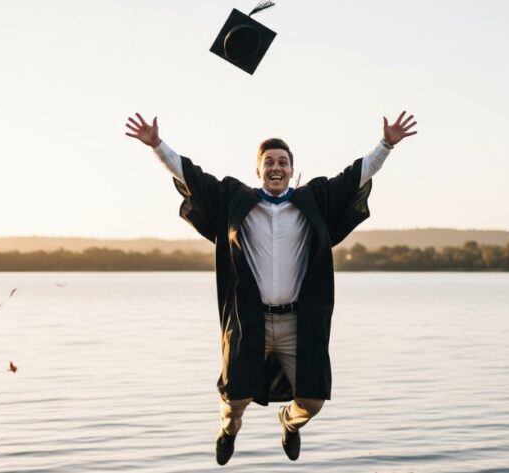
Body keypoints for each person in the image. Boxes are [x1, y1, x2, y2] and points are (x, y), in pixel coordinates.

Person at [125, 112, 417, 465]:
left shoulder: (314, 200)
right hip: (251, 320)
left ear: (292, 170)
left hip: (298, 321)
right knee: (234, 400)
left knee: (312, 401)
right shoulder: (236, 199)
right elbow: (192, 177)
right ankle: (228, 432)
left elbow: (356, 175)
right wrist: (157, 145)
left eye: (282, 162)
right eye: (269, 162)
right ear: (258, 171)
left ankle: (288, 424)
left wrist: (386, 144)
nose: (276, 167)